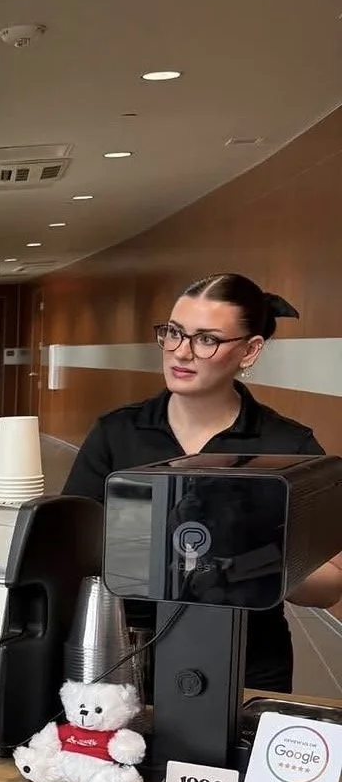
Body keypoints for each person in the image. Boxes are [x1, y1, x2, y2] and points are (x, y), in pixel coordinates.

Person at [63, 272, 342, 691]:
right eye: (174, 333)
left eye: (206, 339)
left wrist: (250, 565)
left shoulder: (289, 446)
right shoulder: (117, 433)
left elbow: (329, 583)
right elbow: (70, 545)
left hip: (248, 661)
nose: (181, 352)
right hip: (128, 655)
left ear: (249, 351)